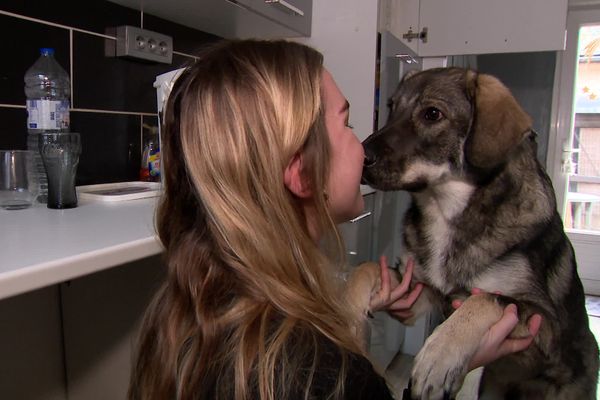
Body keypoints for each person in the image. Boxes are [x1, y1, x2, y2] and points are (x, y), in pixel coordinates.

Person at [128, 39, 540, 400]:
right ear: (302, 172)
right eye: (347, 124)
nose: (365, 147)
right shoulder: (323, 373)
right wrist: (447, 373)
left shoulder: (182, 315)